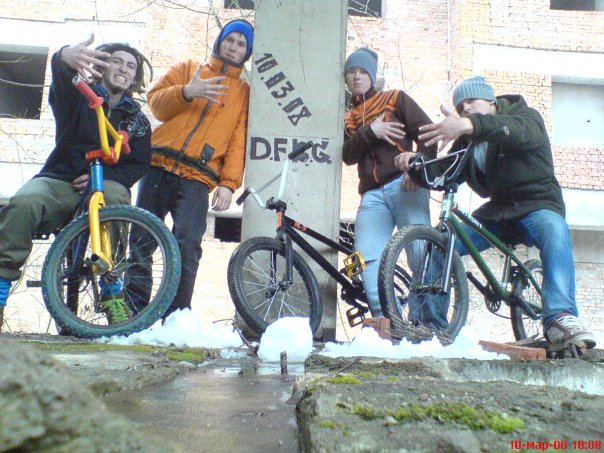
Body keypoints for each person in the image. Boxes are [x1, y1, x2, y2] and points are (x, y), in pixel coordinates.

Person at [405, 75, 596, 352]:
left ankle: (560, 317)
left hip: (537, 203)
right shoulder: (468, 141)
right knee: (442, 243)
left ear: (492, 101)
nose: (465, 108)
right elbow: (446, 172)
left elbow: (518, 132)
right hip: (499, 211)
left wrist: (468, 125)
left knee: (555, 233)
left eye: (471, 101)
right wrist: (414, 164)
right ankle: (429, 324)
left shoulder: (524, 116)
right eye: (460, 107)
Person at [0, 35, 152, 330]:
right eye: (117, 61)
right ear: (103, 66)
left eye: (130, 65)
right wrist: (63, 58)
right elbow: (61, 82)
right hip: (61, 181)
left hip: (104, 186)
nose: (123, 68)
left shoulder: (138, 121)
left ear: (135, 77)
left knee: (116, 199)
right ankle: (0, 288)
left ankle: (111, 290)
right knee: (24, 202)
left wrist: (106, 177)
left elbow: (139, 163)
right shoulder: (79, 95)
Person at [130, 19, 254, 319]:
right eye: (230, 39)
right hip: (158, 166)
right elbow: (156, 104)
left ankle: (176, 317)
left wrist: (229, 183)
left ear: (247, 52)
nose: (234, 47)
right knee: (141, 241)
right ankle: (133, 314)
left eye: (241, 44)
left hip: (198, 177)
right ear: (220, 41)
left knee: (187, 244)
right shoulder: (188, 69)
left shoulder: (244, 93)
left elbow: (239, 140)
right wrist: (187, 91)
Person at [342, 47, 437, 320]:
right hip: (371, 195)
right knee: (363, 259)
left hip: (405, 184)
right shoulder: (349, 117)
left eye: (362, 71)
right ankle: (387, 322)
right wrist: (371, 131)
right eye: (351, 72)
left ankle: (426, 323)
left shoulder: (395, 98)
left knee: (419, 253)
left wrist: (418, 170)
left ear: (372, 76)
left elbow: (428, 133)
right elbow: (347, 156)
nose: (356, 76)